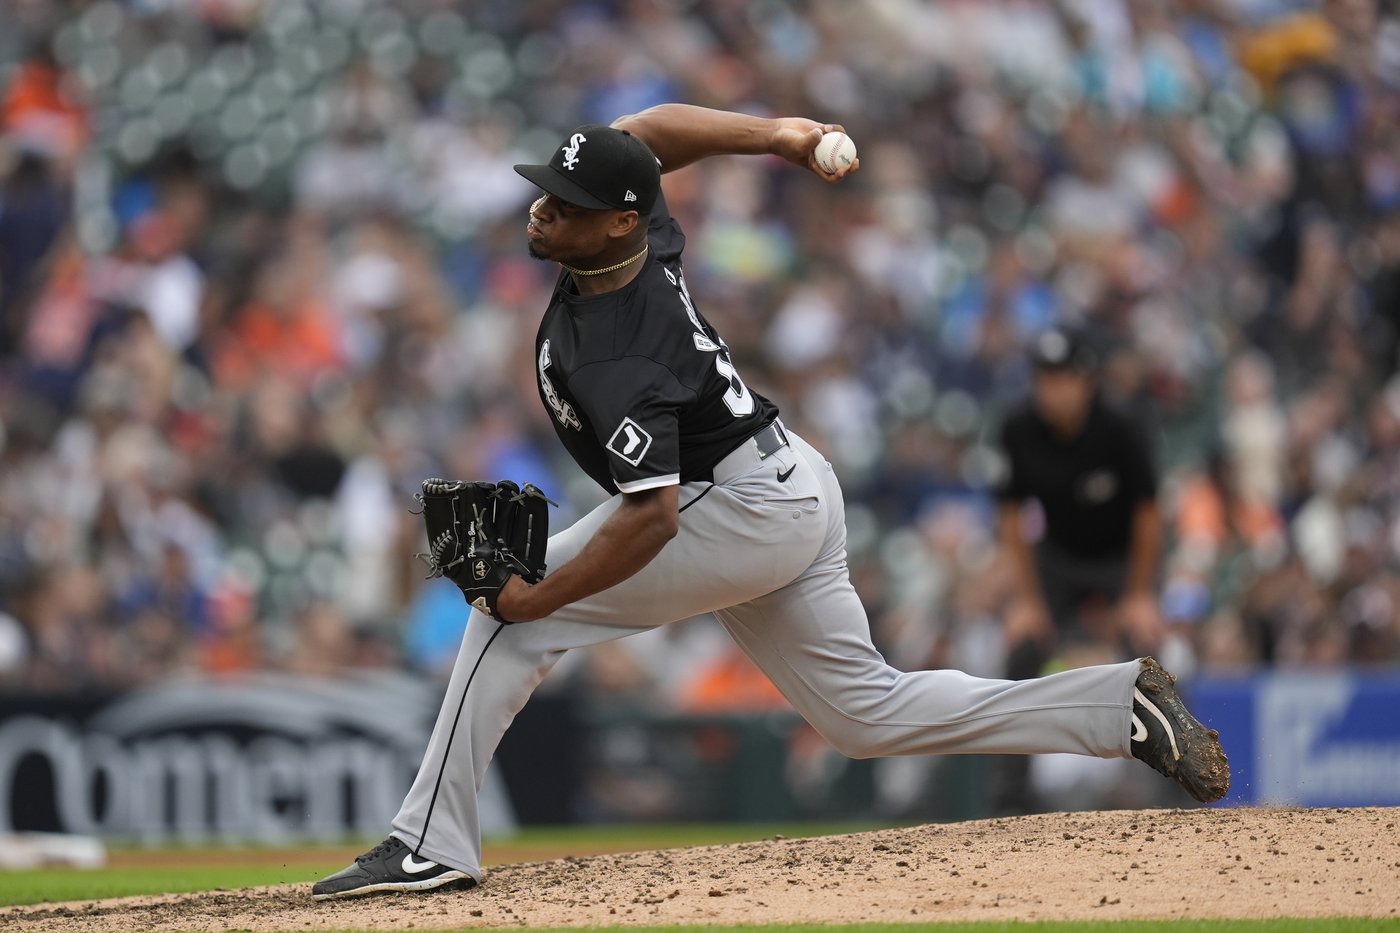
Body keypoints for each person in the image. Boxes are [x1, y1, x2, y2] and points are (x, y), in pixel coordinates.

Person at [312, 105, 1228, 901]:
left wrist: (538, 598)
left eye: (566, 204)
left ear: (618, 223)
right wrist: (777, 135)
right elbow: (654, 131)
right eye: (546, 189)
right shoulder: (640, 226)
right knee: (865, 715)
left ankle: (430, 843)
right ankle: (1119, 709)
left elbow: (651, 517)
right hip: (782, 485)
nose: (542, 207)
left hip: (733, 508)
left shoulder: (621, 353)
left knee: (506, 615)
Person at [992, 327, 1165, 813]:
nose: (1054, 389)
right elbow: (1011, 516)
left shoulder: (1122, 426)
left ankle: (1181, 790)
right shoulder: (1018, 428)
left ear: (1087, 380)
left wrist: (1138, 594)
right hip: (1060, 558)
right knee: (1022, 651)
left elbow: (1148, 513)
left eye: (1064, 377)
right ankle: (1010, 801)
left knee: (1150, 656)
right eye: (1045, 378)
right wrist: (1027, 600)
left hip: (1122, 557)